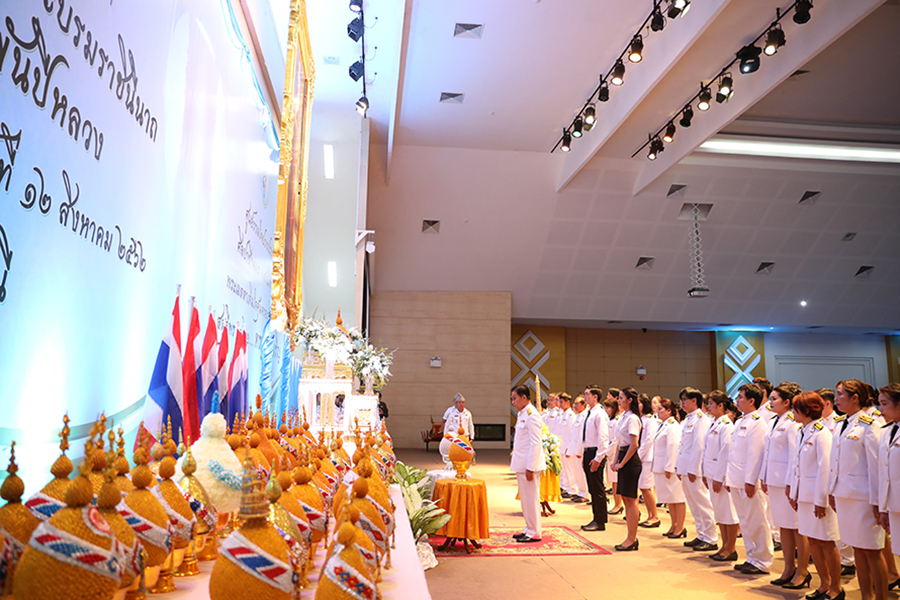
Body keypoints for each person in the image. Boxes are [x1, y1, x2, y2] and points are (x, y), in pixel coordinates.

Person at [828, 379, 886, 600]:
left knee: (871, 551)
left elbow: (875, 467)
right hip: (845, 496)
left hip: (864, 498)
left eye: (841, 394)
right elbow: (835, 461)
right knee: (858, 550)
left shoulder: (870, 425)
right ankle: (866, 596)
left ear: (855, 398)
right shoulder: (842, 423)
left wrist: (878, 502)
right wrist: (832, 491)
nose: (836, 399)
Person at [789, 391, 843, 600]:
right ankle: (824, 584)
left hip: (817, 497)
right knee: (813, 541)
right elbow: (797, 465)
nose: (793, 412)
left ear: (806, 411)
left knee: (826, 542)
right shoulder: (802, 431)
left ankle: (836, 588)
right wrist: (794, 492)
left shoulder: (822, 433)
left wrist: (821, 500)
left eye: (796, 408)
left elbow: (825, 468)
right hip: (804, 496)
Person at [762, 382, 810, 589]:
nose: (770, 402)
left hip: (787, 483)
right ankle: (788, 568)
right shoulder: (776, 420)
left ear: (787, 402)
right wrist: (764, 477)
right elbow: (768, 453)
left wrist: (793, 484)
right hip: (774, 482)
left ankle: (803, 570)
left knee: (798, 528)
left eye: (774, 399)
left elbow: (794, 456)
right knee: (784, 526)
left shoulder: (792, 422)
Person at [728, 383, 775, 575]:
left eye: (740, 397)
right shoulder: (740, 421)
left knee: (756, 520)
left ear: (751, 400)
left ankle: (763, 559)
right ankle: (752, 556)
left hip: (748, 481)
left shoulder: (757, 423)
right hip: (736, 478)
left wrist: (750, 480)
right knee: (745, 521)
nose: (737, 400)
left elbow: (755, 455)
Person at [677, 387, 718, 551]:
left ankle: (711, 537)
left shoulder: (702, 419)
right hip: (685, 467)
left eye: (684, 400)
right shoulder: (688, 419)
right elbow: (683, 446)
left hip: (694, 469)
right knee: (693, 503)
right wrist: (679, 467)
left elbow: (699, 446)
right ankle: (701, 534)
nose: (682, 403)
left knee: (702, 502)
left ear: (695, 400)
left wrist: (693, 469)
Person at [703, 390, 739, 562]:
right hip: (711, 473)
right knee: (720, 513)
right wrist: (705, 473)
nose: (708, 406)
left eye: (711, 403)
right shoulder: (714, 423)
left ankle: (731, 547)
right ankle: (724, 545)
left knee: (728, 513)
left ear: (721, 406)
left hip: (721, 476)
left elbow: (725, 453)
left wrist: (718, 477)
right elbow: (708, 451)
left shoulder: (727, 425)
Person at [510, 385, 545, 543]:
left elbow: (535, 443)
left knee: (531, 499)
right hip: (522, 464)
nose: (513, 402)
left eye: (515, 398)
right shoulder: (523, 413)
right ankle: (529, 527)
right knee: (525, 499)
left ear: (524, 398)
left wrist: (530, 467)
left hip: (528, 465)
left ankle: (535, 531)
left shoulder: (532, 415)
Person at [612, 387, 642, 551]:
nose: (618, 400)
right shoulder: (623, 417)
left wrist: (622, 463)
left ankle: (632, 539)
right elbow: (619, 442)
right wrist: (616, 460)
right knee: (625, 498)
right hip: (623, 457)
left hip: (630, 462)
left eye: (621, 398)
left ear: (630, 400)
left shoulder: (633, 419)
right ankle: (630, 537)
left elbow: (634, 444)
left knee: (631, 501)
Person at [877, 383, 900, 591]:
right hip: (894, 504)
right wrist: (883, 508)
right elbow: (884, 473)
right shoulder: (887, 431)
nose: (880, 410)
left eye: (884, 404)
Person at [653, 397, 687, 538]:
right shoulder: (663, 424)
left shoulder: (673, 426)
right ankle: (673, 524)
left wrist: (670, 467)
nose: (658, 411)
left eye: (661, 409)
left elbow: (673, 447)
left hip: (669, 467)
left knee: (677, 498)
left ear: (669, 411)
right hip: (661, 466)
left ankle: (680, 526)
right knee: (669, 498)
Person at [581, 387, 610, 531]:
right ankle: (595, 517)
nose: (585, 397)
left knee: (598, 488)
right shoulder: (590, 413)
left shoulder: (600, 414)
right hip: (588, 452)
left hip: (595, 453)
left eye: (587, 395)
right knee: (592, 488)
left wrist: (598, 458)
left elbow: (603, 438)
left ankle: (600, 521)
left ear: (595, 397)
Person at [637, 394, 660, 528]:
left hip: (647, 458)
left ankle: (655, 516)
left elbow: (648, 440)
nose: (637, 406)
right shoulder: (641, 419)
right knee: (643, 487)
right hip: (642, 457)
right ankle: (650, 514)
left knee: (646, 487)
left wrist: (638, 456)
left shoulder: (650, 420)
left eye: (640, 403)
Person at [565, 395, 589, 503]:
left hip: (579, 449)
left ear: (584, 405)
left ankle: (585, 493)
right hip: (574, 448)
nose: (575, 406)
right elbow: (572, 434)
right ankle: (580, 492)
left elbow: (581, 435)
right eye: (574, 403)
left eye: (577, 404)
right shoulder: (578, 415)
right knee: (576, 472)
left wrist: (579, 450)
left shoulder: (584, 416)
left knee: (581, 472)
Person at [606, 392, 624, 515]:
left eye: (608, 407)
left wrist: (607, 451)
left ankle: (619, 504)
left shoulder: (617, 421)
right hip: (610, 455)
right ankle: (616, 503)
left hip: (613, 454)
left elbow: (616, 440)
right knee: (613, 482)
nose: (606, 410)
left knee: (616, 482)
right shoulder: (611, 420)